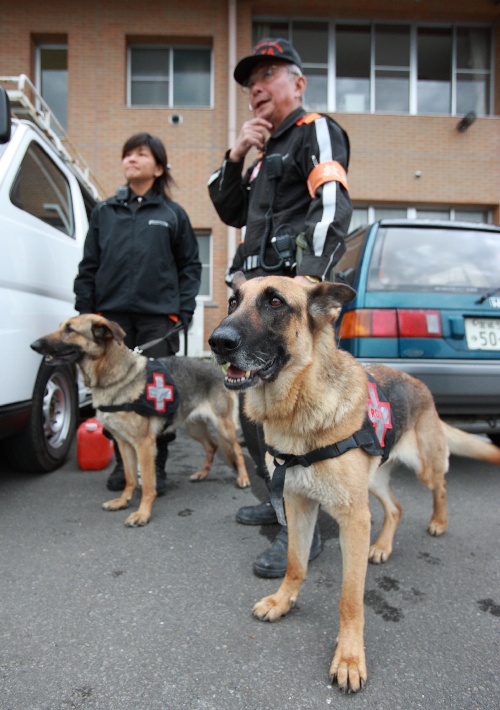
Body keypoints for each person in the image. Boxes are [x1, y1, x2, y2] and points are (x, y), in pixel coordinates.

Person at [208, 38, 352, 578]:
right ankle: (278, 503)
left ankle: (303, 532)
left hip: (288, 305)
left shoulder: (314, 130)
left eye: (268, 75)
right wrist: (237, 154)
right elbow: (227, 210)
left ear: (298, 83)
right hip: (254, 300)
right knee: (252, 405)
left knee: (303, 415)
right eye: (250, 83)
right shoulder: (262, 156)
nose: (257, 89)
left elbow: (333, 203)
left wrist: (306, 286)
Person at [75, 132, 201, 495]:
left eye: (140, 155)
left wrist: (182, 312)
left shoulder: (172, 214)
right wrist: (87, 313)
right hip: (110, 319)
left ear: (158, 167)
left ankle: (156, 468)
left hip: (157, 319)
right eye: (127, 154)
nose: (130, 160)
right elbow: (89, 265)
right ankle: (123, 465)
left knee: (155, 394)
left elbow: (189, 267)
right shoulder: (105, 211)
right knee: (114, 392)